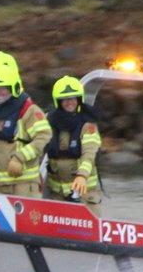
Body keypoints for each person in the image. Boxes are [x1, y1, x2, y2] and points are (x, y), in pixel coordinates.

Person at [0, 52, 49, 198]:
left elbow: (43, 137)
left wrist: (19, 158)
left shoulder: (29, 111)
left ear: (13, 88)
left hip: (24, 186)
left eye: (3, 88)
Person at [44, 75, 103, 214]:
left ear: (78, 99)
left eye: (72, 98)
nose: (69, 102)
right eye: (65, 99)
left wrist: (82, 176)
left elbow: (88, 154)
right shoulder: (49, 121)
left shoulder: (87, 125)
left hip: (84, 193)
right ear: (58, 101)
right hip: (57, 193)